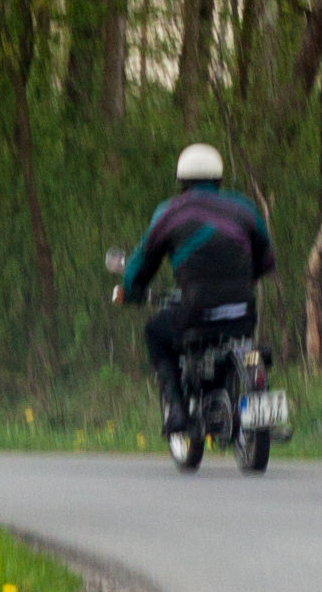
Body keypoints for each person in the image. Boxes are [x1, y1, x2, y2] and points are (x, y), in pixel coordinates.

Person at [116, 144, 276, 437]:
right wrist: (243, 281)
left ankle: (177, 409)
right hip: (243, 312)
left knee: (156, 332)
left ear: (181, 181)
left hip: (196, 312)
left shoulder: (170, 212)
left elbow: (143, 260)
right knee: (238, 341)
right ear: (219, 178)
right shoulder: (243, 207)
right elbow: (267, 259)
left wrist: (132, 289)